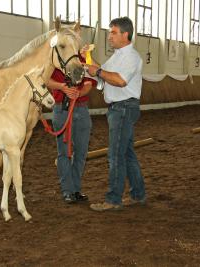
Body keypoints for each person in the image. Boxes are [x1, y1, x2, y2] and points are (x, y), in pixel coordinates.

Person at [85, 17, 146, 211]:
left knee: (115, 156)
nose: (109, 36)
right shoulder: (117, 56)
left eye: (113, 32)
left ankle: (113, 200)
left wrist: (99, 72)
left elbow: (119, 80)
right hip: (120, 109)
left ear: (125, 34)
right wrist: (87, 58)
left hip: (123, 108)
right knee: (126, 154)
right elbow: (102, 72)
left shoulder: (131, 57)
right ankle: (138, 194)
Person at [47, 50, 97, 204]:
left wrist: (78, 93)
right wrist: (62, 87)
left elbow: (89, 83)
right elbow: (45, 80)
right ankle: (67, 190)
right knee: (64, 153)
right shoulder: (55, 60)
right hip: (62, 108)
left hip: (81, 108)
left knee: (81, 152)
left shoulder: (84, 60)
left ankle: (75, 189)